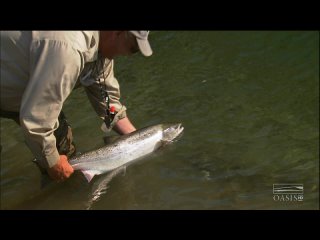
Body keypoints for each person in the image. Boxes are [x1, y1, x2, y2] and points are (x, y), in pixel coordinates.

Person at [0, 31, 153, 182]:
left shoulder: (101, 52)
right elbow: (37, 121)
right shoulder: (69, 50)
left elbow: (107, 102)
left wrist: (141, 139)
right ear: (117, 33)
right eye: (133, 48)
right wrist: (52, 162)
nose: (129, 54)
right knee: (55, 162)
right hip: (12, 92)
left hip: (24, 94)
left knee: (63, 154)